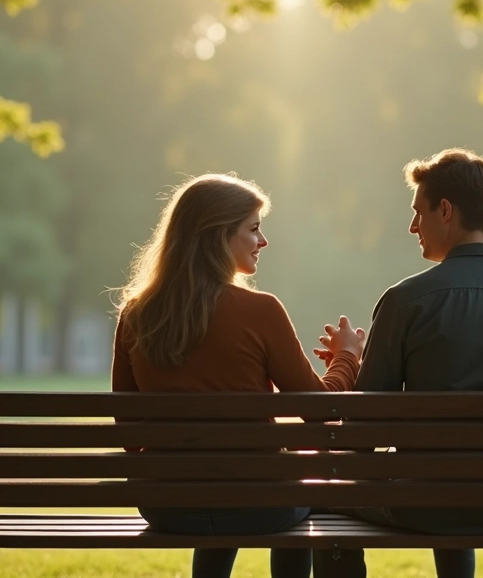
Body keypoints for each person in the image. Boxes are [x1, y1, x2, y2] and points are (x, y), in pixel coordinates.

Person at [313, 149, 483, 578]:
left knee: (323, 493)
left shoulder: (405, 302)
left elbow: (363, 436)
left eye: (419, 212)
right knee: (451, 488)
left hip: (428, 505)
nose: (413, 226)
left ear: (446, 210)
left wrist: (351, 366)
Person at [111, 173, 365, 578]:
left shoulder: (136, 315)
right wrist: (347, 356)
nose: (263, 242)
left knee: (236, 489)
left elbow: (127, 430)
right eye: (254, 229)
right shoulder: (261, 311)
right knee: (312, 489)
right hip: (257, 503)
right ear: (218, 236)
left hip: (166, 506)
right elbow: (320, 411)